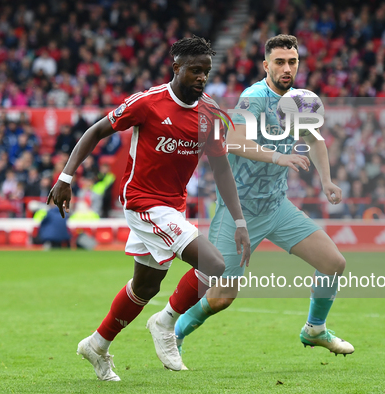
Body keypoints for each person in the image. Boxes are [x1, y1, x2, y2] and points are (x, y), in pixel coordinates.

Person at [47, 36, 251, 381]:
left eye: (207, 72)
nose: (202, 78)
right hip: (142, 202)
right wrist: (66, 177)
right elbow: (96, 130)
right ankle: (166, 322)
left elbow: (221, 169)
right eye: (195, 71)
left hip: (172, 207)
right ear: (176, 68)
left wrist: (240, 219)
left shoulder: (211, 115)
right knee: (216, 263)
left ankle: (96, 346)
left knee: (145, 287)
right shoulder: (149, 102)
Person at [155, 34, 354, 368]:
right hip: (240, 214)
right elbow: (234, 141)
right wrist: (279, 158)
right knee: (220, 298)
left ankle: (314, 329)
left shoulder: (300, 101)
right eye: (279, 62)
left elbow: (314, 140)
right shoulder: (254, 98)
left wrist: (326, 180)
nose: (287, 68)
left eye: (292, 62)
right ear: (266, 65)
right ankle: (173, 332)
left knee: (333, 263)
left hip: (277, 208)